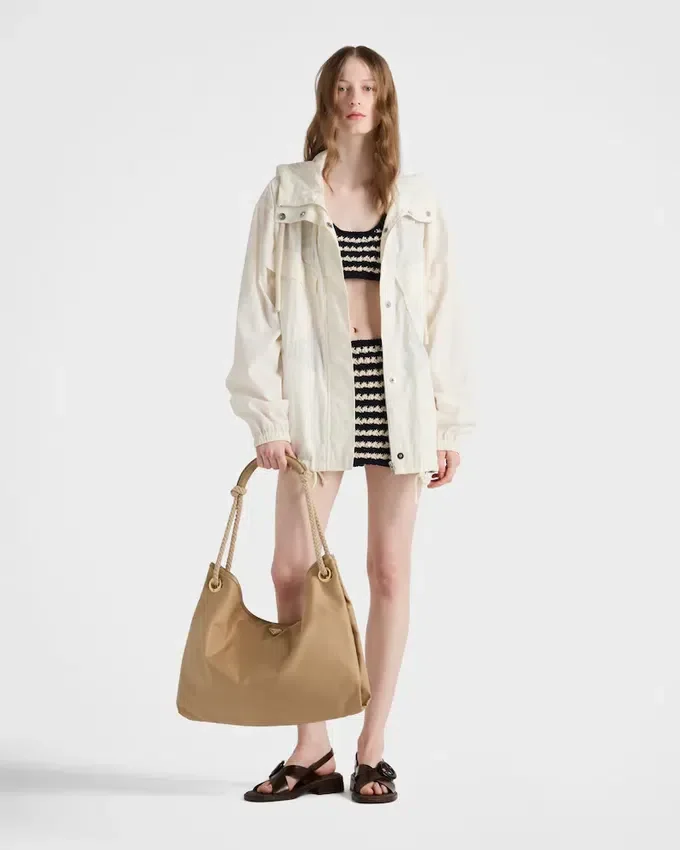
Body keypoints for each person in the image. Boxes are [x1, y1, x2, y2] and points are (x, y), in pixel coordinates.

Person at [225, 45, 475, 803]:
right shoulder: (289, 192)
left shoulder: (415, 198)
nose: (354, 98)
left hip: (400, 397)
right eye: (342, 86)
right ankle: (314, 747)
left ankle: (373, 746)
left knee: (388, 571)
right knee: (290, 569)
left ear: (384, 99)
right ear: (326, 99)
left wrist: (449, 424)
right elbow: (256, 307)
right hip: (317, 399)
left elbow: (443, 314)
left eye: (367, 87)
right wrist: (266, 413)